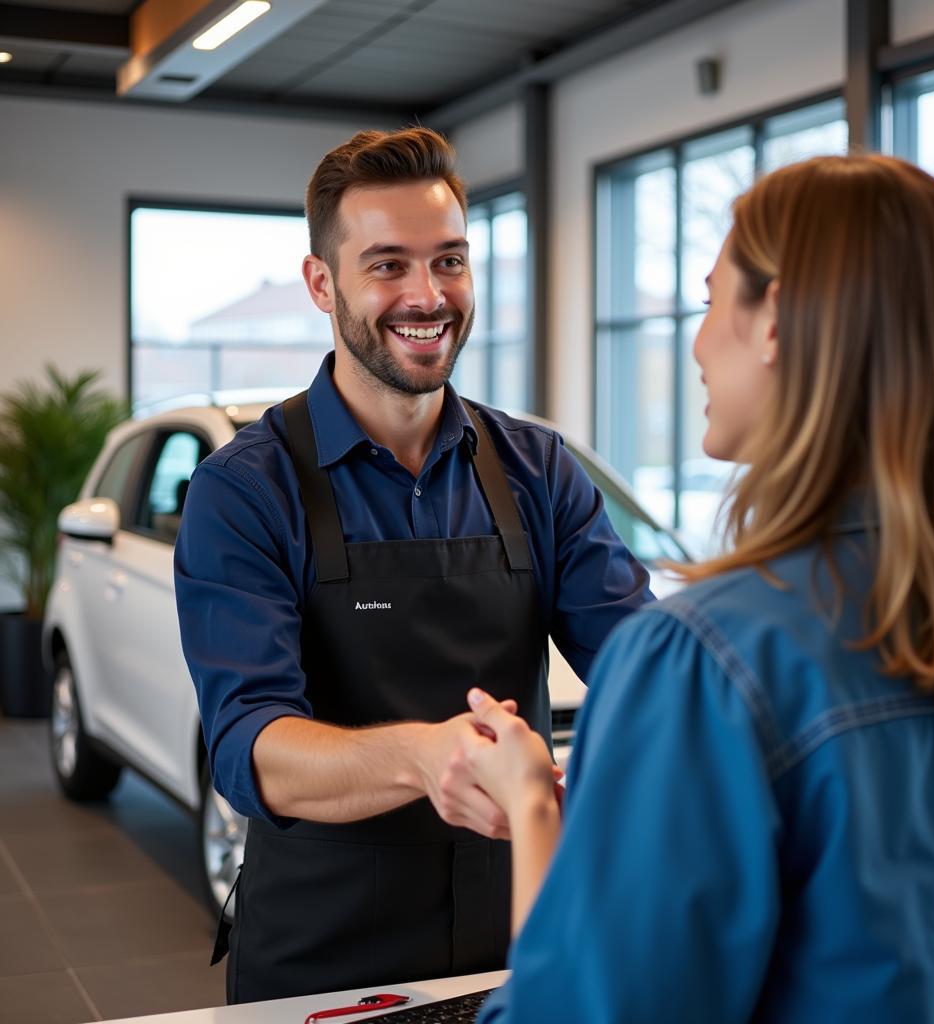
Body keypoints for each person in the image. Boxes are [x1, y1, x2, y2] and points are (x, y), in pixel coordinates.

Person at [461, 154, 934, 1023]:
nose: (695, 339)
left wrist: (530, 800)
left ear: (776, 321)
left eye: (713, 296)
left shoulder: (702, 665)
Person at [173, 127, 654, 1004]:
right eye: (389, 264)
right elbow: (249, 747)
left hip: (516, 944)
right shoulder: (244, 490)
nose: (428, 295)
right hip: (324, 964)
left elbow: (648, 669)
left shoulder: (539, 470)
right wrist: (423, 760)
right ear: (324, 283)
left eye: (451, 261)